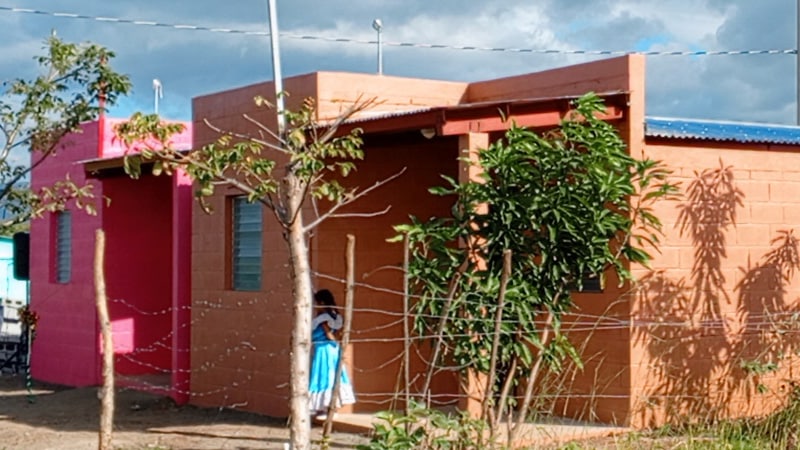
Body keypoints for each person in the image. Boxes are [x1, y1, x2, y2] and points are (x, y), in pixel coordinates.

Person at [309, 289, 355, 416]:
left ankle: (326, 406)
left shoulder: (323, 318)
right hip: (333, 350)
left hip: (324, 350)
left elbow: (329, 334)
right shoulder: (336, 315)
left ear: (322, 303)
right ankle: (330, 406)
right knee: (332, 376)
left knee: (324, 377)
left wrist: (334, 342)